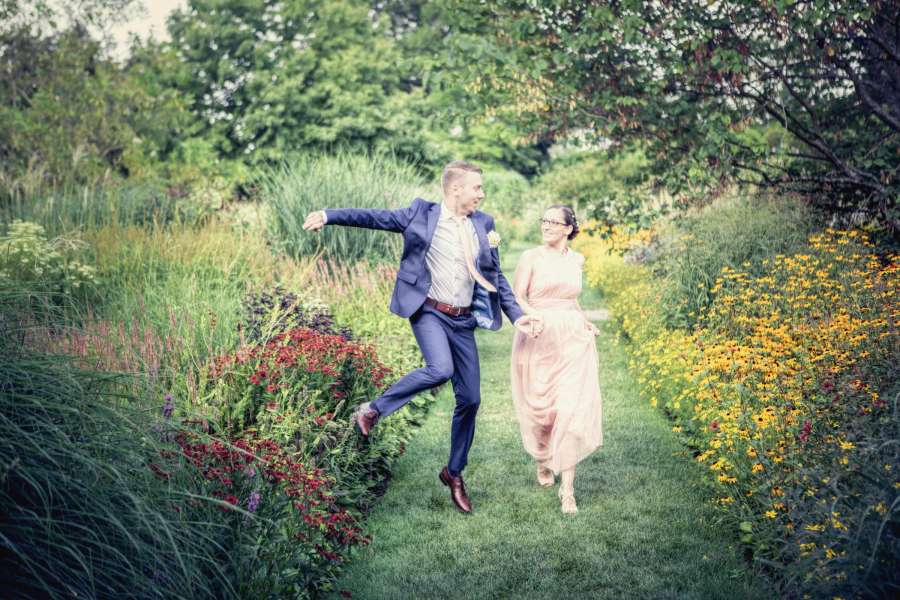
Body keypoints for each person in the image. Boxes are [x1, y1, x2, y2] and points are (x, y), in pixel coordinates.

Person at [302, 160, 542, 514]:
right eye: (477, 187)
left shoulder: (483, 224)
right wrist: (328, 215)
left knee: (471, 399)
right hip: (428, 311)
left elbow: (496, 277)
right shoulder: (420, 214)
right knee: (440, 369)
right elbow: (374, 218)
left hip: (462, 321)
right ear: (456, 188)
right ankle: (372, 410)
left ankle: (453, 472)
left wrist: (518, 316)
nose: (481, 193)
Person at [510, 205, 604, 514]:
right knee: (542, 411)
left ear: (568, 228)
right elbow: (517, 297)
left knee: (570, 409)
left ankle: (568, 491)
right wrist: (534, 315)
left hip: (573, 338)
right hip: (538, 335)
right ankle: (542, 458)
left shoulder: (577, 259)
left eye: (554, 222)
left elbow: (572, 299)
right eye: (544, 221)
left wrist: (585, 321)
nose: (547, 226)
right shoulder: (530, 257)